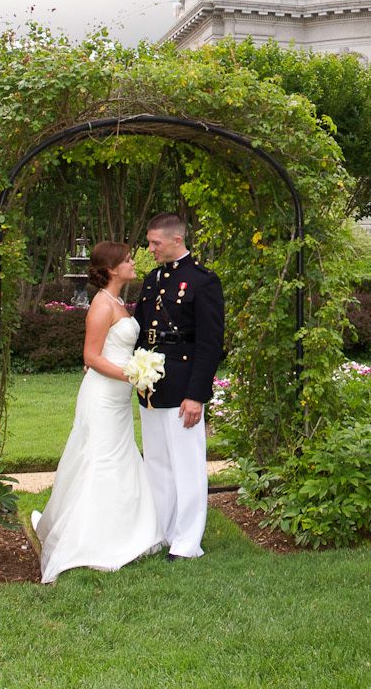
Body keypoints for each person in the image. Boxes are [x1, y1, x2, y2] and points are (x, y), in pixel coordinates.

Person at [31, 240, 164, 583]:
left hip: (118, 398)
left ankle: (127, 529)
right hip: (103, 396)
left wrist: (136, 371)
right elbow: (90, 357)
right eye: (128, 259)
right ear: (111, 269)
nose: (134, 263)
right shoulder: (102, 305)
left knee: (122, 456)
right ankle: (89, 540)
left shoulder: (119, 301)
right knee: (102, 459)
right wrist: (133, 374)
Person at [133, 212, 224, 560]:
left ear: (176, 240)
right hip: (152, 387)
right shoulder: (153, 278)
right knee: (156, 463)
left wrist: (196, 395)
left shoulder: (203, 281)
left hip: (184, 388)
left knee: (186, 466)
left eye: (155, 243)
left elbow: (209, 343)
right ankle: (163, 531)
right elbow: (142, 328)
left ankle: (187, 542)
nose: (150, 248)